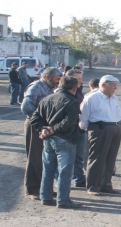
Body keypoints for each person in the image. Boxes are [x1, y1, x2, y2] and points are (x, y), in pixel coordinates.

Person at [30, 76, 82, 208]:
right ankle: (63, 200)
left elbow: (34, 118)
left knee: (48, 169)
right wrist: (53, 129)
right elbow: (69, 122)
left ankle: (46, 197)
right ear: (74, 87)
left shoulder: (46, 99)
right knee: (65, 171)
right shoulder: (72, 101)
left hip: (48, 139)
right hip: (65, 139)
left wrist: (43, 128)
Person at [21, 67, 63, 199]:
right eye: (57, 79)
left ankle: (45, 188)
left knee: (48, 158)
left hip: (47, 126)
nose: (59, 82)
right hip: (36, 126)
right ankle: (33, 189)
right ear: (47, 78)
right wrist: (39, 124)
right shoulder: (36, 87)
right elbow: (26, 106)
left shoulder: (50, 89)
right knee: (35, 158)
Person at [79, 75, 121, 195]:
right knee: (97, 158)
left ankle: (106, 185)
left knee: (111, 158)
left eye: (115, 85)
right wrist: (85, 129)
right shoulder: (92, 98)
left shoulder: (114, 98)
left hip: (115, 127)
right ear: (103, 85)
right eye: (113, 85)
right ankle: (93, 186)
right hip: (99, 128)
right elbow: (84, 116)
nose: (115, 88)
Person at [65, 69, 87, 188]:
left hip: (79, 128)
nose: (81, 82)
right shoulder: (66, 95)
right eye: (78, 79)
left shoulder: (79, 91)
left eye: (81, 79)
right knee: (69, 157)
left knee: (79, 156)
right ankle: (72, 179)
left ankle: (79, 178)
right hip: (69, 130)